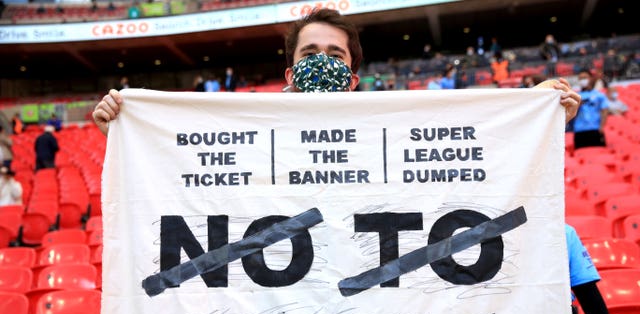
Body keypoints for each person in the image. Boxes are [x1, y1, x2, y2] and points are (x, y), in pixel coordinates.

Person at [92, 9, 578, 134]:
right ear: (289, 74)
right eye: (309, 54)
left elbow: (472, 129)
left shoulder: (394, 117)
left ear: (352, 77)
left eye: (335, 54)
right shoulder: (247, 122)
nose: (320, 61)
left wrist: (532, 106)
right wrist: (125, 120)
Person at [572, 69, 609, 149]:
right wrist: (577, 106)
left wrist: (601, 127)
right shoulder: (575, 96)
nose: (583, 80)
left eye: (585, 77)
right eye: (580, 78)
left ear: (590, 78)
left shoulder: (599, 95)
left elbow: (604, 111)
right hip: (579, 130)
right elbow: (571, 115)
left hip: (595, 129)